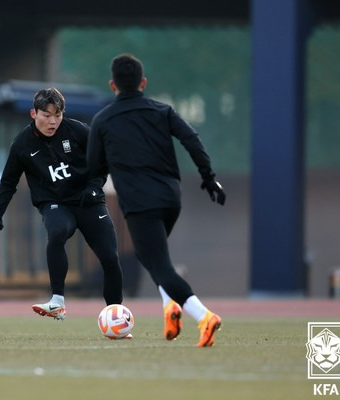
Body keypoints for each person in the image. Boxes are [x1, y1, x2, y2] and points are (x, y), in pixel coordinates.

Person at [87, 53, 226, 347]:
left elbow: (94, 168)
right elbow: (191, 139)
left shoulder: (102, 121)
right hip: (171, 198)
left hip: (140, 203)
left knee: (159, 265)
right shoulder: (162, 111)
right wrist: (208, 176)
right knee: (149, 256)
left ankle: (204, 317)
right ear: (143, 83)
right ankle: (170, 307)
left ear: (113, 85)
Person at [0, 88, 124, 322]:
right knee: (56, 231)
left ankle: (116, 316)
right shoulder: (22, 145)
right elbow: (7, 184)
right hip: (55, 203)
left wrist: (95, 186)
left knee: (109, 256)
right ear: (33, 114)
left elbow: (102, 160)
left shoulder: (77, 131)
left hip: (89, 201)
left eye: (58, 114)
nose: (53, 121)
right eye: (46, 115)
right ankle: (57, 302)